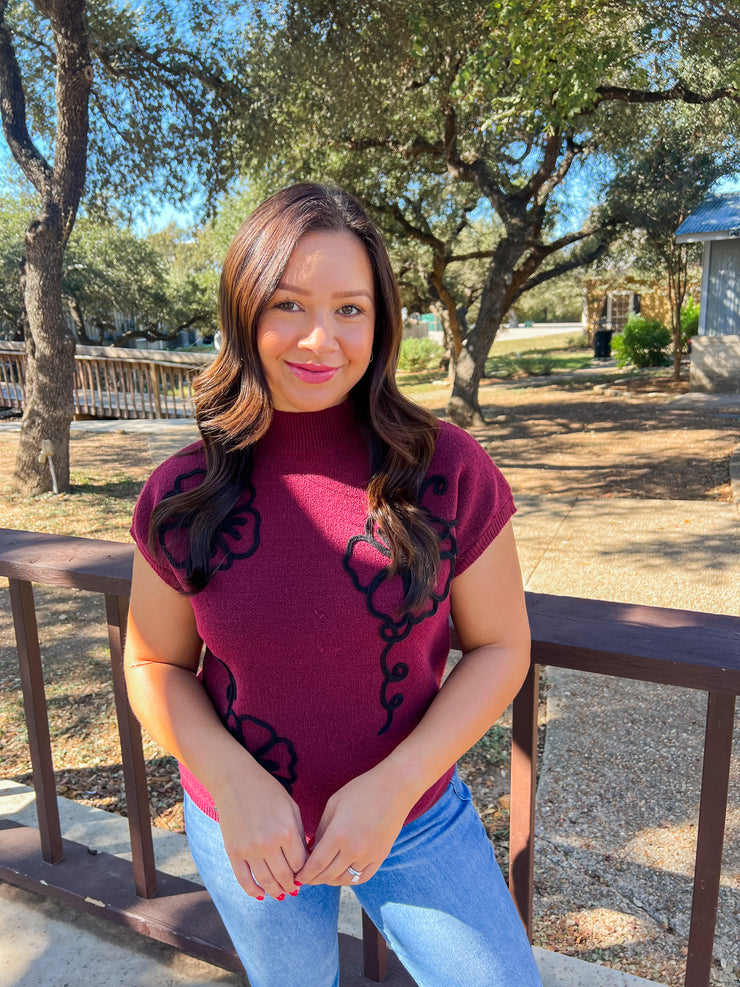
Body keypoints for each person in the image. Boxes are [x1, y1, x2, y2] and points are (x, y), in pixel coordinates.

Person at [123, 183, 543, 987]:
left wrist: (393, 787)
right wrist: (235, 783)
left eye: (350, 308)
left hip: (415, 815)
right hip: (246, 826)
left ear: (381, 322)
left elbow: (500, 646)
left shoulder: (446, 469)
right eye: (288, 303)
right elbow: (154, 665)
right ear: (243, 309)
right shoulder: (183, 492)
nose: (321, 338)